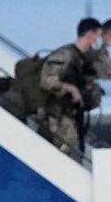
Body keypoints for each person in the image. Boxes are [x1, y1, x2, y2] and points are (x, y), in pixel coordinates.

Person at [38, 17, 102, 160]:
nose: (98, 41)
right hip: (59, 119)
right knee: (67, 160)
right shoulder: (65, 55)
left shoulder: (82, 59)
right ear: (89, 34)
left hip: (72, 118)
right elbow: (46, 80)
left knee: (75, 155)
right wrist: (70, 89)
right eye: (97, 36)